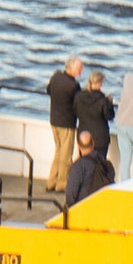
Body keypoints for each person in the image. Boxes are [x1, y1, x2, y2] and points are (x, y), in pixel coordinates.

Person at [45, 57, 83, 187]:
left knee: (58, 151)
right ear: (72, 69)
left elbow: (48, 90)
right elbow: (78, 104)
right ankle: (61, 183)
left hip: (54, 120)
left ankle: (51, 181)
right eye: (79, 69)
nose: (81, 71)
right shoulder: (74, 85)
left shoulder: (56, 77)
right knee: (66, 155)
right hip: (66, 123)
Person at [74, 69, 116, 168]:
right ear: (100, 83)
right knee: (99, 166)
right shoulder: (102, 100)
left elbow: (75, 111)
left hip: (83, 134)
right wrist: (110, 103)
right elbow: (109, 116)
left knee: (83, 164)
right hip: (100, 137)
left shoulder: (79, 96)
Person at [64, 128, 115, 210]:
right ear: (93, 143)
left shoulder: (78, 166)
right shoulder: (103, 161)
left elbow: (70, 195)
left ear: (78, 146)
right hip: (103, 207)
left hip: (84, 209)